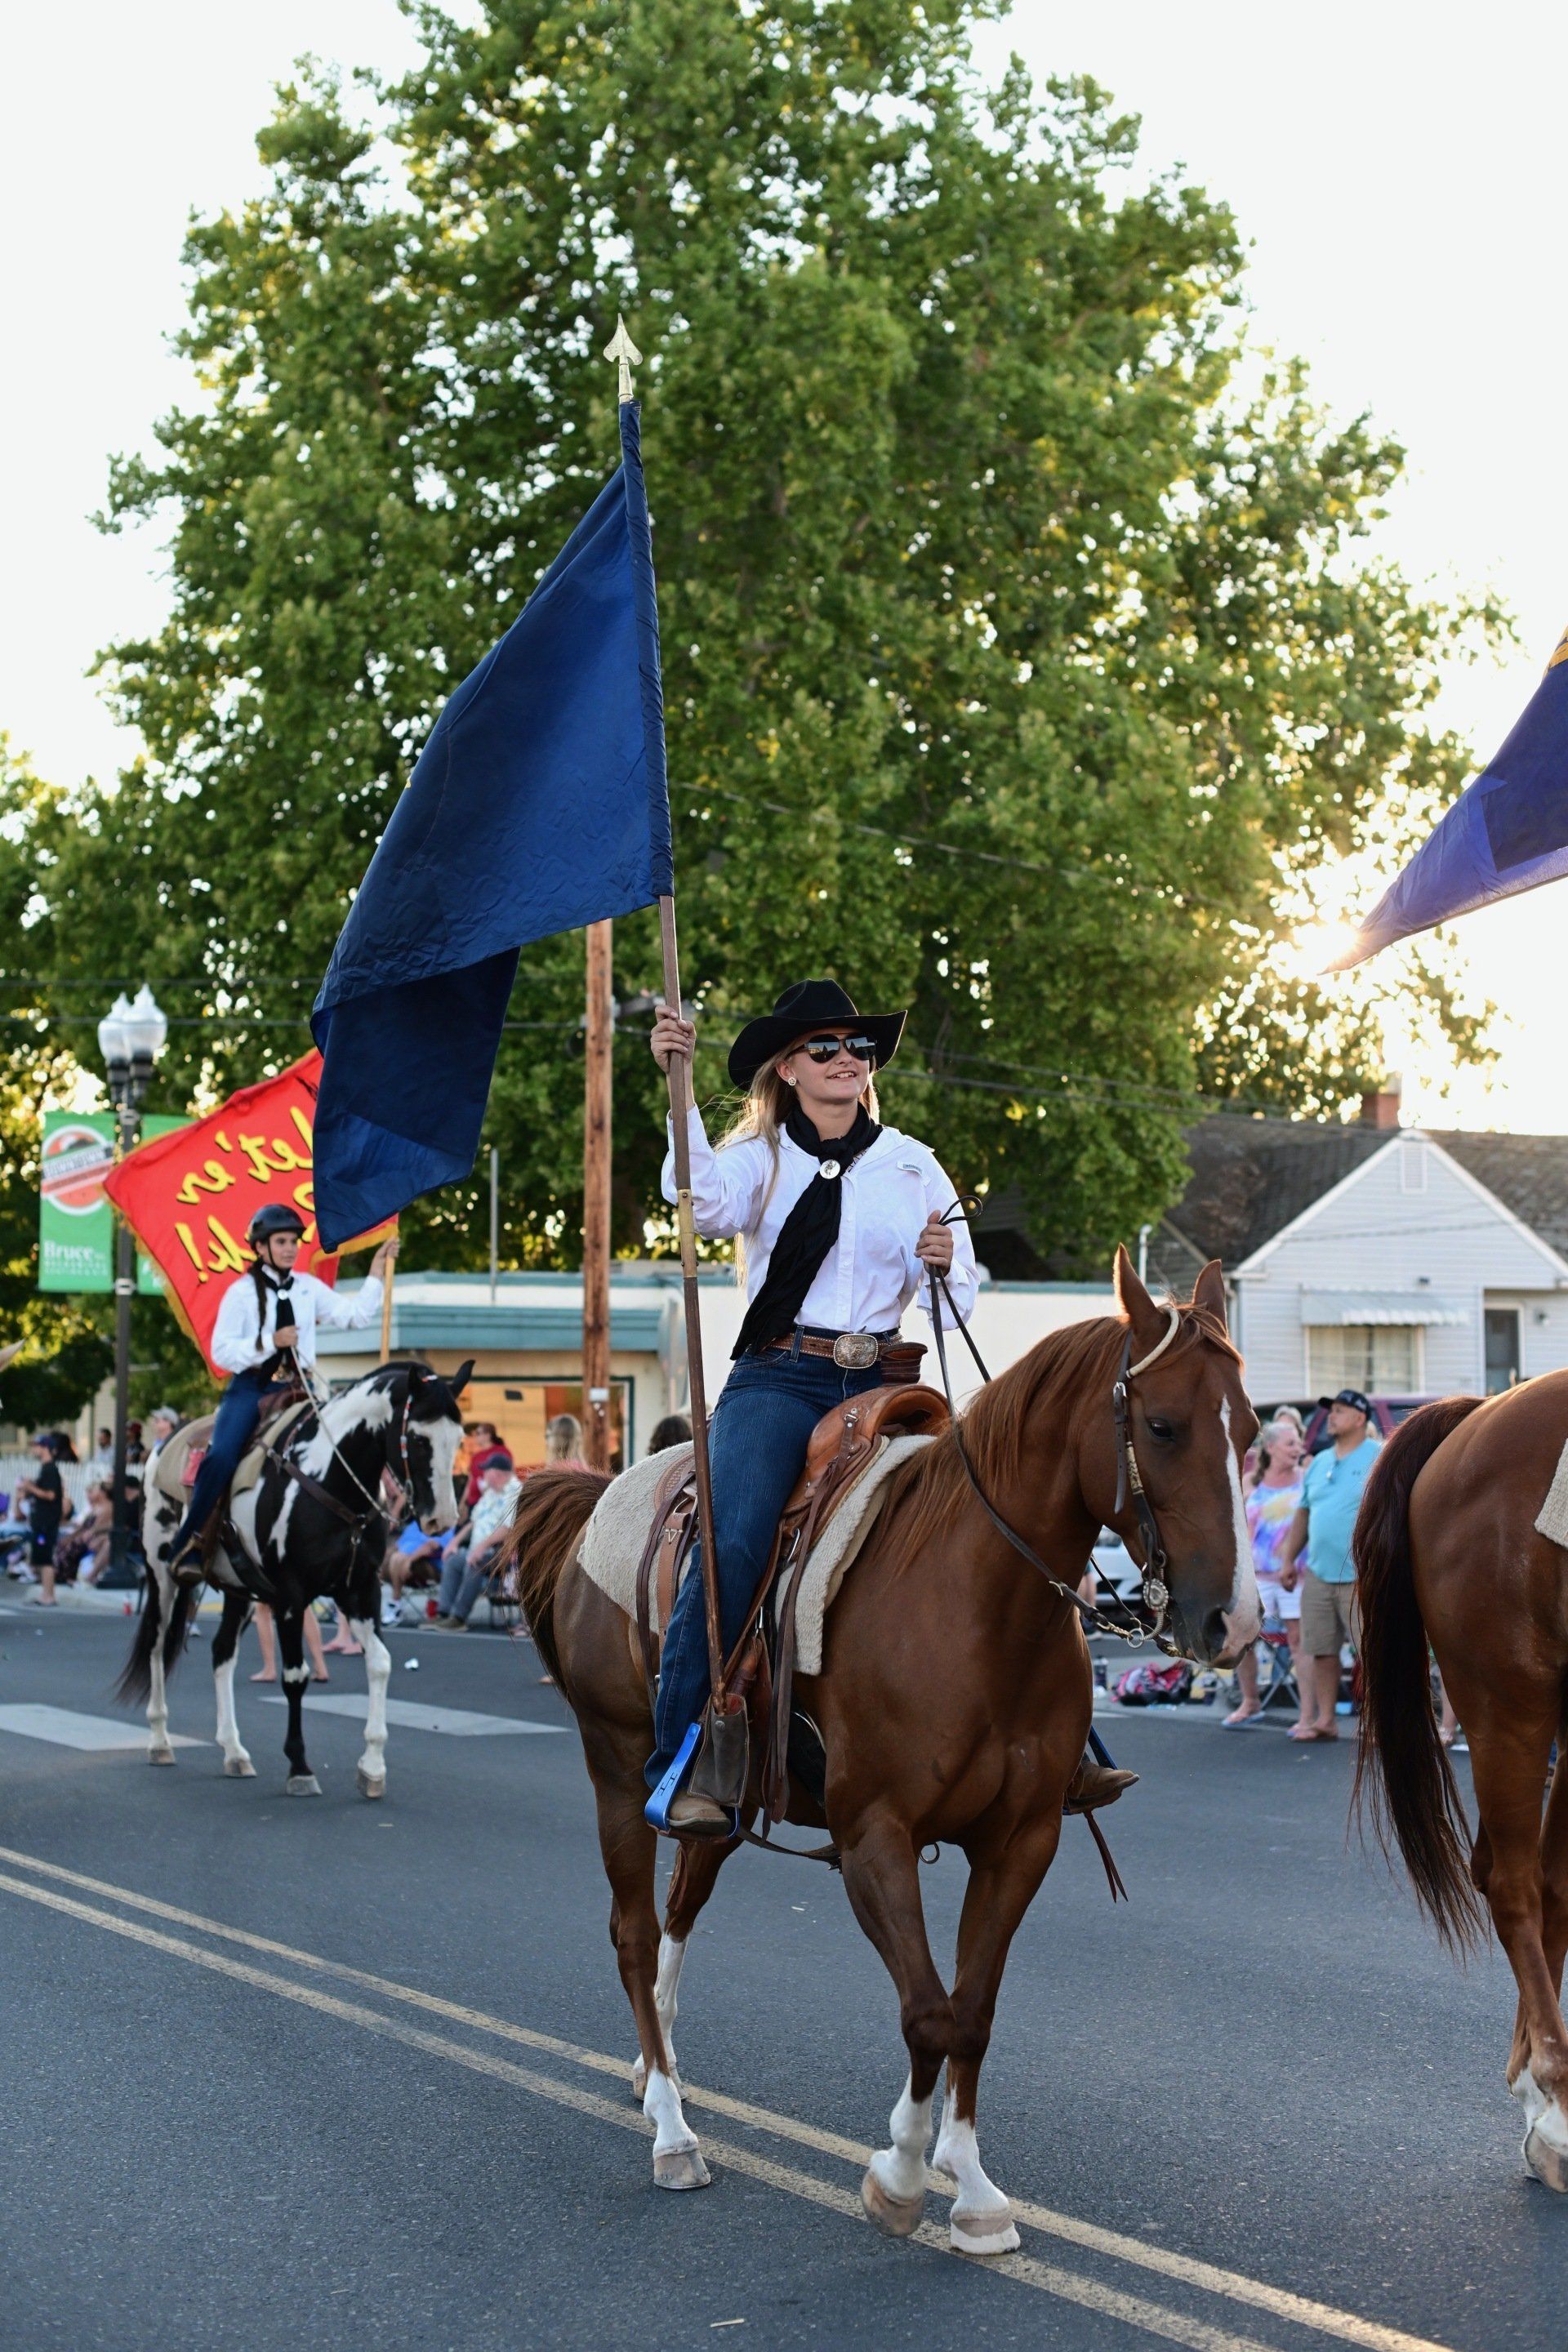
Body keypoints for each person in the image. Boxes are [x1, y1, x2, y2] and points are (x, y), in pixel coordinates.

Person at [643, 977, 981, 1833]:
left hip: (885, 1379)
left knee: (983, 1508)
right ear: (789, 1068)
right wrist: (679, 1085)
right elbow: (699, 1200)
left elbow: (955, 1304)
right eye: (824, 1048)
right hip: (780, 1375)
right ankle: (683, 1756)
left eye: (858, 1048)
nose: (846, 1060)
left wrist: (943, 1264)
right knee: (734, 1540)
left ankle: (1056, 1739)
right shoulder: (760, 1158)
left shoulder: (912, 1163)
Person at [167, 1204, 397, 1585]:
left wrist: (376, 1270)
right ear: (261, 1247)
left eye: (293, 1241)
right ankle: (192, 1541)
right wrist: (268, 1341)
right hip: (253, 1389)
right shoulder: (241, 1294)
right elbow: (222, 1351)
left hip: (300, 1388)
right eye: (281, 1242)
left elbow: (354, 1315)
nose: (291, 1248)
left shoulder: (308, 1288)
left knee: (341, 1447)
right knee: (222, 1456)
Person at [1278, 1387, 1382, 1741]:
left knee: (1371, 1652)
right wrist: (1289, 1559)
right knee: (1321, 1650)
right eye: (1331, 1410)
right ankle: (1325, 1721)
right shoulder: (1320, 1460)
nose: (1331, 1416)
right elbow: (1304, 1512)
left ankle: (1378, 1724)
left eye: (1338, 1411)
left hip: (1360, 1575)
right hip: (1318, 1574)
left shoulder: (1378, 1456)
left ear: (1359, 1418)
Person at [1223, 1416, 1305, 1726]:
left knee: (1299, 1641)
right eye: (1291, 1443)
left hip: (1297, 1576)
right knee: (1243, 1637)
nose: (1298, 1448)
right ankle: (1250, 1701)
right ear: (1270, 1448)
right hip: (1258, 1576)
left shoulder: (1304, 1478)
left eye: (1298, 1442)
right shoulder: (1252, 1482)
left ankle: (1307, 1714)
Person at [434, 1454, 520, 1628]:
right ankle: (443, 1613)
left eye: (486, 1470)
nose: (483, 1475)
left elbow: (508, 1528)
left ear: (496, 1473)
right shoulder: (490, 1493)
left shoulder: (516, 1492)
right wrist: (454, 1543)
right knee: (453, 1561)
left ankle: (459, 1618)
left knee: (477, 1562)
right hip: (480, 1549)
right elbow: (473, 1522)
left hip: (501, 1552)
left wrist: (481, 1547)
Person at [15, 1435, 65, 1585]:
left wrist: (30, 1487)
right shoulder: (45, 1469)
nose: (34, 1449)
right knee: (41, 1558)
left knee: (45, 1558)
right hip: (40, 1522)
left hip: (46, 1523)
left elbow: (50, 1495)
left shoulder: (50, 1469)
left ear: (45, 1448)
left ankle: (48, 1596)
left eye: (37, 1446)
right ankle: (45, 1594)